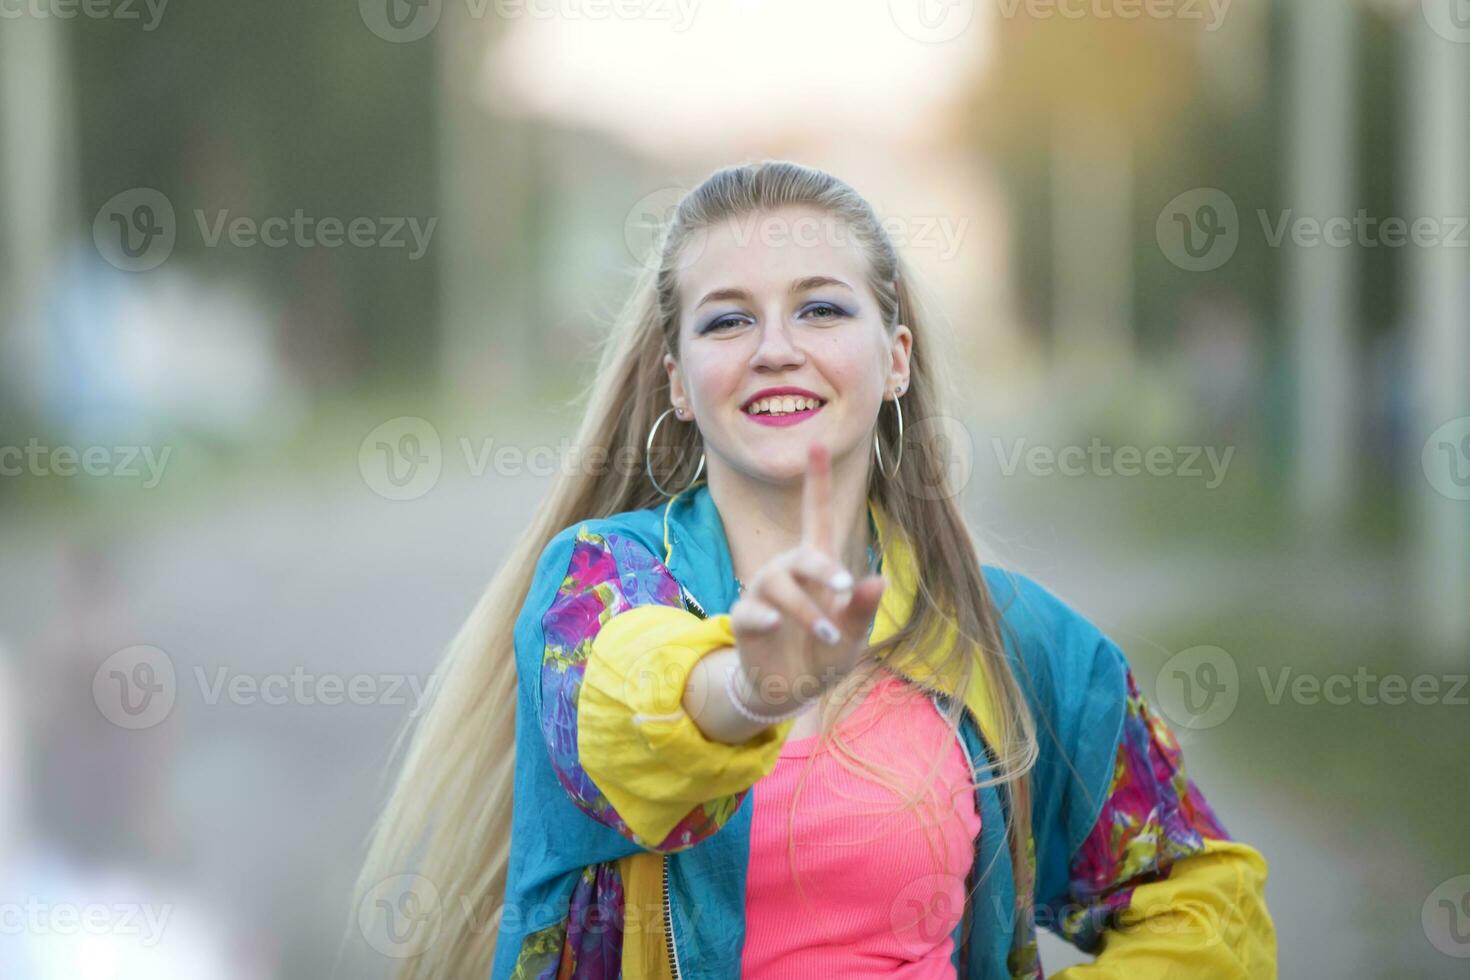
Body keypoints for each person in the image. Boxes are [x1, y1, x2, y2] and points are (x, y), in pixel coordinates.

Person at [352, 160, 1277, 979]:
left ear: (896, 359)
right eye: (727, 320)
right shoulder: (596, 581)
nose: (775, 347)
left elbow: (1208, 904)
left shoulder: (1009, 636)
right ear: (678, 380)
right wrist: (746, 689)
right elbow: (617, 716)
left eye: (822, 308)